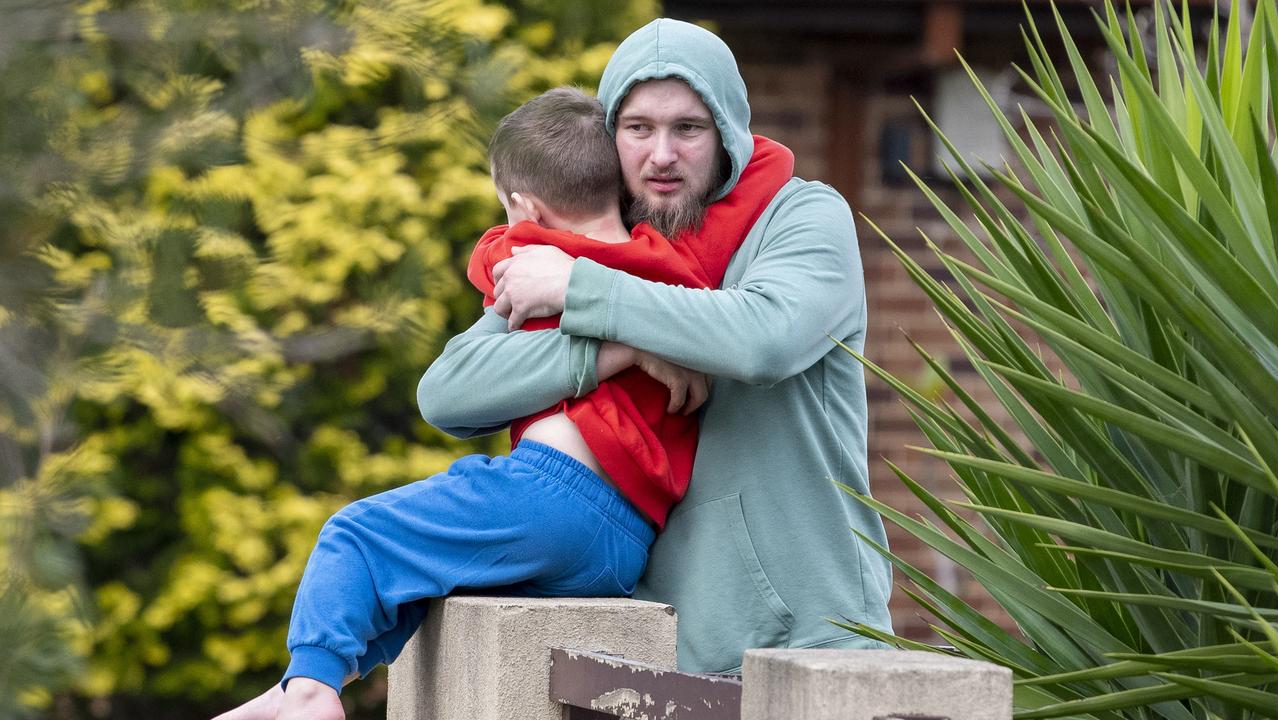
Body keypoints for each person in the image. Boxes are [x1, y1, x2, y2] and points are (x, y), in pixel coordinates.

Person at [214, 85, 791, 720]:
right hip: (627, 540)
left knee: (354, 536)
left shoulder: (530, 263)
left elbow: (488, 260)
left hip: (550, 491)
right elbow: (766, 169)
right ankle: (308, 681)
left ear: (522, 207)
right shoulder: (671, 263)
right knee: (431, 576)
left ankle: (314, 692)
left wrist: (516, 237)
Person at [419, 18, 895, 674]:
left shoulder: (804, 216)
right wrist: (615, 350)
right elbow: (450, 391)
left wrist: (587, 292)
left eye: (688, 129)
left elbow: (763, 339)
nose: (661, 154)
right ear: (611, 135)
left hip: (812, 647)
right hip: (664, 655)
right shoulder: (599, 244)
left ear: (727, 130)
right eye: (638, 128)